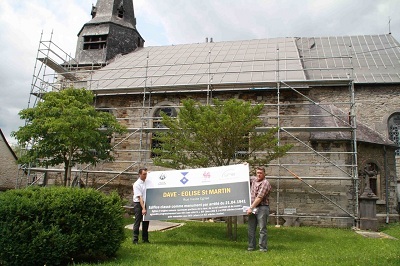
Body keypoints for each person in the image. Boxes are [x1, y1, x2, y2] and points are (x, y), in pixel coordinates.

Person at [246, 166, 272, 252]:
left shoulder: (265, 183)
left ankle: (263, 248)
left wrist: (251, 208)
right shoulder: (254, 179)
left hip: (262, 208)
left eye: (261, 173)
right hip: (253, 208)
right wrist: (244, 166)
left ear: (264, 174)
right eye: (257, 173)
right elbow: (244, 176)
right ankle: (251, 247)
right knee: (251, 228)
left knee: (262, 229)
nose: (259, 175)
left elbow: (259, 198)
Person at [133, 168, 150, 244]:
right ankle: (135, 239)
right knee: (138, 221)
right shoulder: (137, 184)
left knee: (146, 221)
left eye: (146, 174)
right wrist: (143, 208)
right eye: (144, 174)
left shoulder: (146, 182)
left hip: (145, 202)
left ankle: (145, 239)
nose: (145, 176)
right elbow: (140, 197)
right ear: (140, 174)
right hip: (138, 204)